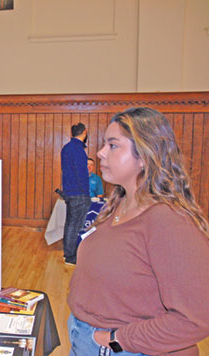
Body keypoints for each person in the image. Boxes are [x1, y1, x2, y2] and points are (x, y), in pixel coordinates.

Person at [67, 107, 209, 355]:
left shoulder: (170, 221)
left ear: (144, 156)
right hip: (85, 337)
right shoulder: (118, 203)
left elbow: (195, 318)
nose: (100, 153)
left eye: (113, 146)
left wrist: (115, 339)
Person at [60, 122, 91, 265]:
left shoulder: (66, 148)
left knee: (70, 224)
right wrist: (86, 193)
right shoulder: (78, 150)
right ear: (84, 132)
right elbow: (81, 173)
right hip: (79, 193)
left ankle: (68, 253)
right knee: (75, 225)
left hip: (69, 191)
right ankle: (71, 256)